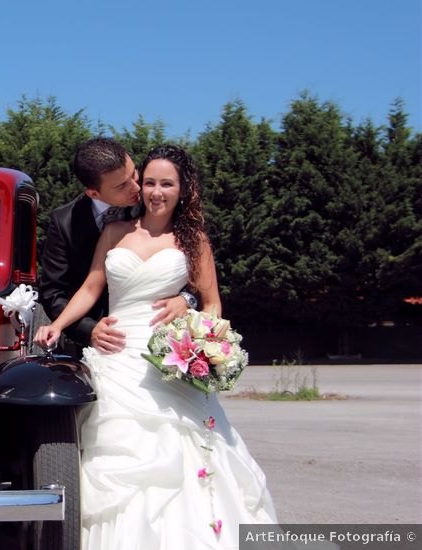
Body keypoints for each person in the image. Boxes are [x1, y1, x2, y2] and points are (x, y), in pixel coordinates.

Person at [36, 145, 277, 549]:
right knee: (115, 456)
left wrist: (198, 333)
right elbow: (90, 286)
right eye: (148, 182)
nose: (153, 191)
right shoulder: (114, 232)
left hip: (168, 357)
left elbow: (212, 300)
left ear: (183, 190)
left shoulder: (194, 240)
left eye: (166, 183)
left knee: (184, 452)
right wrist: (59, 325)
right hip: (115, 360)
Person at [38, 137, 194, 358]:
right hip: (91, 347)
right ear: (94, 193)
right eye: (122, 185)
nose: (136, 187)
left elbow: (194, 267)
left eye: (134, 173)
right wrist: (89, 330)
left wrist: (186, 299)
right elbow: (53, 292)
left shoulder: (157, 201)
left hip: (161, 340)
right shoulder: (64, 222)